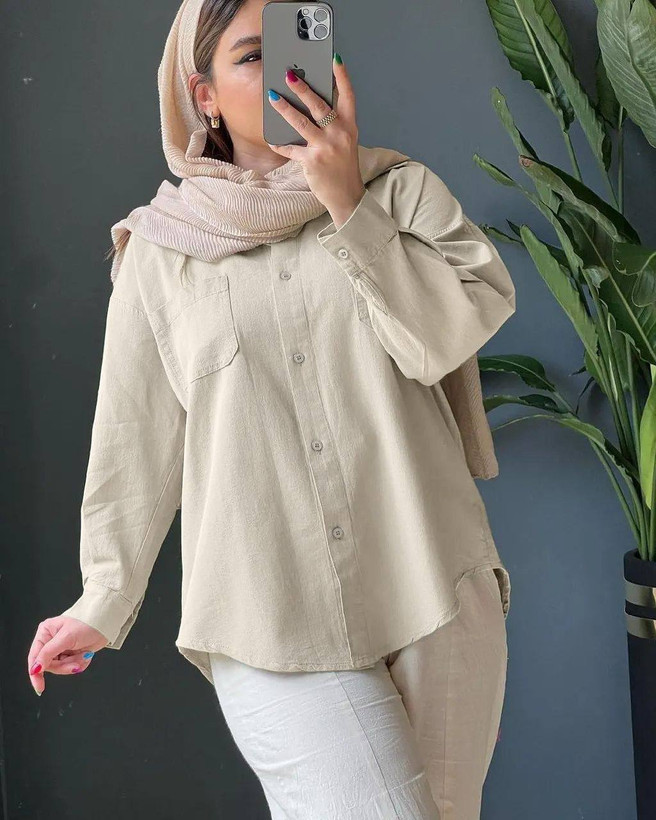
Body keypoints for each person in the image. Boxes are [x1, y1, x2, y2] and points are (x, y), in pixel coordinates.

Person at [27, 0, 517, 816]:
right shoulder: (161, 252)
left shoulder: (398, 192)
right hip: (267, 617)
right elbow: (134, 439)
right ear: (204, 95)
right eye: (253, 56)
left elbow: (448, 337)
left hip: (435, 583)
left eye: (298, 47)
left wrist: (350, 206)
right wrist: (103, 598)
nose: (284, 73)